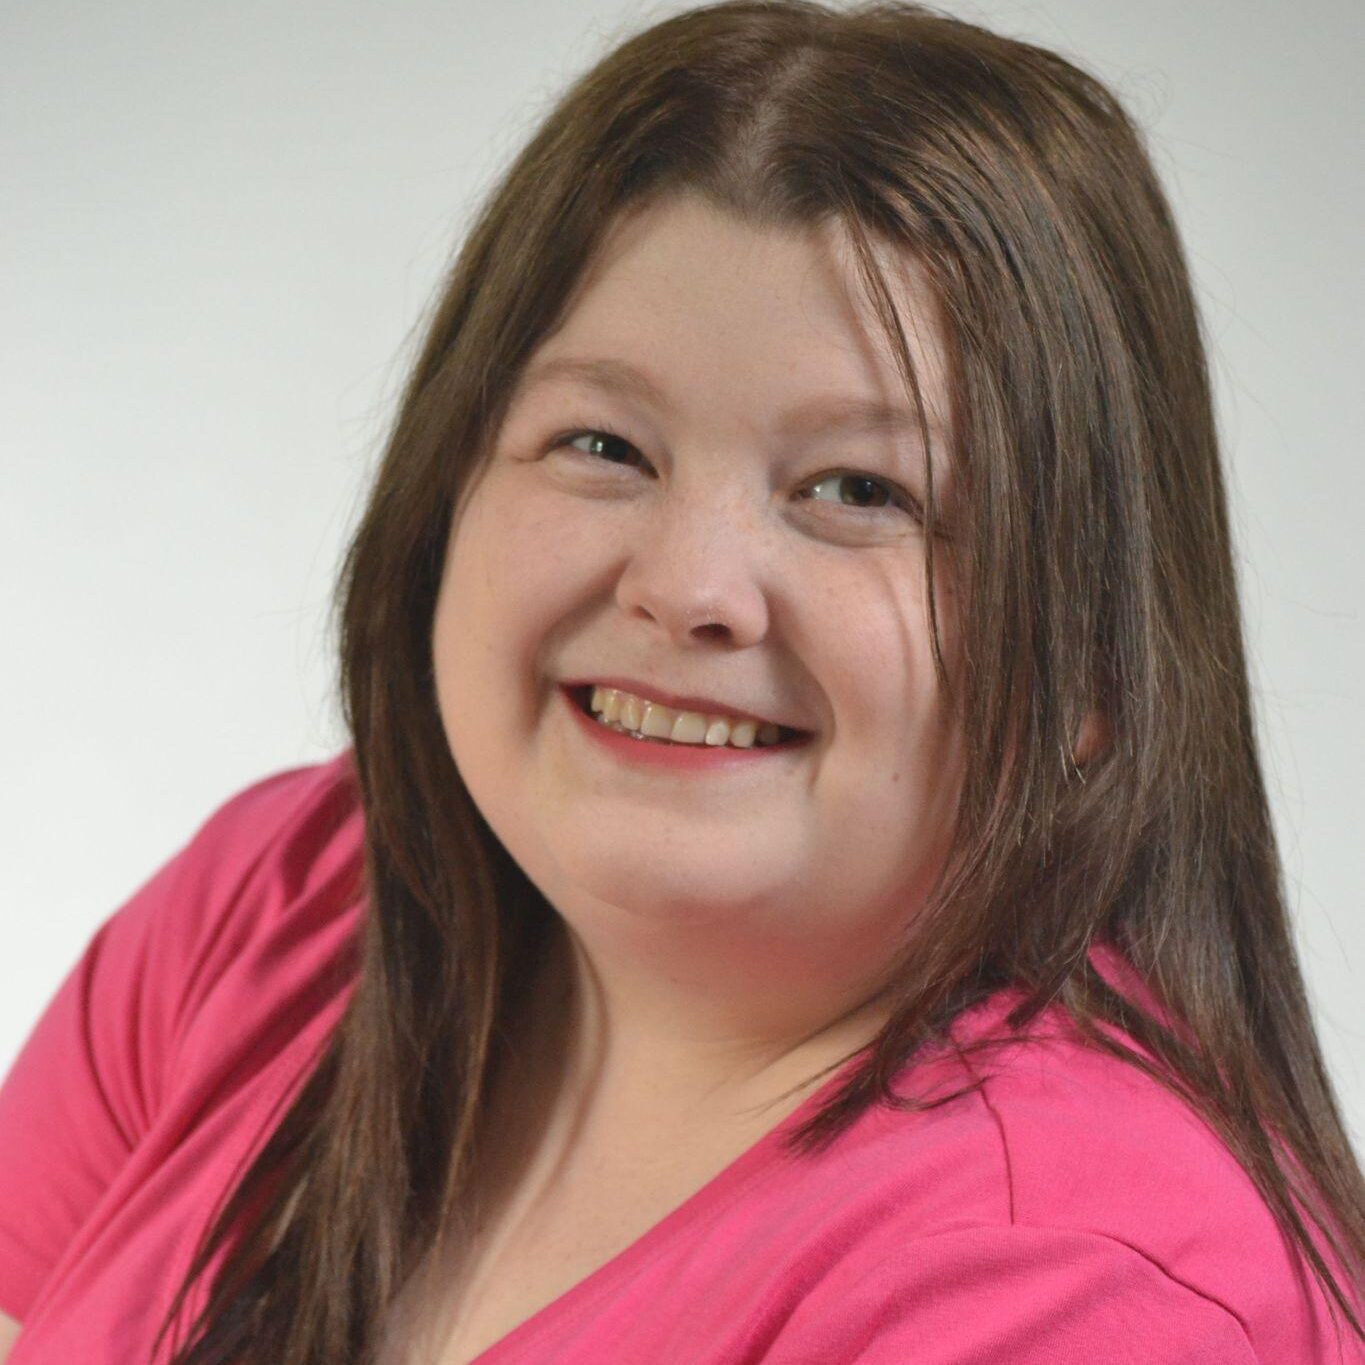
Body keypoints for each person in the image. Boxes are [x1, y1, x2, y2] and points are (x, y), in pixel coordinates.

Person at [1, 0, 1361, 1361]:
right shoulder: (282, 901)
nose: (688, 585)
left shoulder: (1079, 1287)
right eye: (602, 443)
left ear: (1091, 660)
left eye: (858, 489)